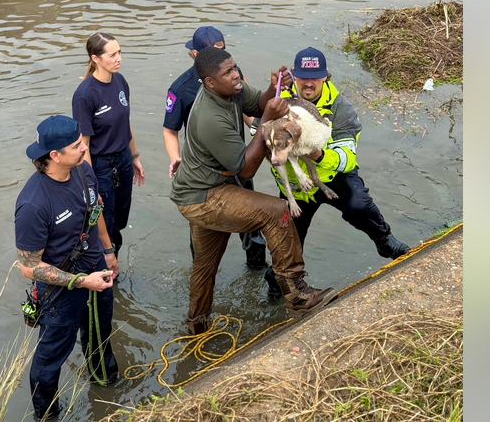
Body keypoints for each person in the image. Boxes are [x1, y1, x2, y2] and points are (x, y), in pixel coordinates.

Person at [170, 46, 337, 334]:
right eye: (228, 72)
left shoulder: (231, 89)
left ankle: (196, 327)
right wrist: (264, 127)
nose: (236, 75)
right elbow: (245, 169)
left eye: (235, 67)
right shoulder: (209, 118)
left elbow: (259, 105)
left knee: (205, 265)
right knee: (277, 211)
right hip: (203, 197)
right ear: (210, 82)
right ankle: (297, 294)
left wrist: (274, 88)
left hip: (205, 189)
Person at [258, 47, 413, 296]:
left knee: (360, 207)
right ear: (294, 77)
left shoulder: (341, 108)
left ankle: (385, 242)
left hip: (334, 178)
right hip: (296, 190)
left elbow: (347, 159)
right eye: (303, 77)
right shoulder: (279, 103)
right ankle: (276, 286)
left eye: (315, 77)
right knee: (285, 247)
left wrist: (316, 154)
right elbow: (259, 133)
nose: (308, 83)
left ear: (325, 76)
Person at [14, 115, 120, 421]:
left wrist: (108, 249)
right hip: (61, 292)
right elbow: (28, 267)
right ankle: (46, 414)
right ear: (54, 156)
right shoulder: (33, 204)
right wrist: (82, 281)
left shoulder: (83, 170)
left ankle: (107, 385)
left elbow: (95, 206)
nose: (84, 148)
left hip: (97, 270)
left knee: (99, 335)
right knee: (50, 359)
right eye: (76, 146)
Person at [163, 25, 267, 269]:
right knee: (202, 243)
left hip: (236, 161)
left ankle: (257, 272)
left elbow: (244, 107)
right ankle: (203, 278)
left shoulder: (233, 73)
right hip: (204, 174)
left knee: (254, 229)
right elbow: (170, 130)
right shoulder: (181, 88)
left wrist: (258, 127)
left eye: (223, 50)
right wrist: (175, 157)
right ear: (196, 55)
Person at [72, 32, 144, 253]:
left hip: (122, 158)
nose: (119, 58)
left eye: (119, 52)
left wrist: (134, 157)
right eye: (112, 55)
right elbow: (83, 145)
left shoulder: (120, 81)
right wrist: (91, 184)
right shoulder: (85, 95)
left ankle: (114, 258)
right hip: (100, 164)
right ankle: (105, 263)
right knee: (104, 217)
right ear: (96, 58)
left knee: (121, 216)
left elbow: (125, 122)